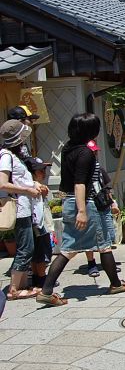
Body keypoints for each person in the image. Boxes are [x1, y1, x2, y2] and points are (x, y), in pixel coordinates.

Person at [36, 113, 125, 306]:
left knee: (70, 247)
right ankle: (115, 284)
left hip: (70, 201)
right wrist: (82, 211)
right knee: (102, 245)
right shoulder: (85, 153)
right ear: (92, 131)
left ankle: (47, 290)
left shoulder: (68, 148)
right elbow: (80, 183)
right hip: (84, 203)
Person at [0, 120, 47, 300]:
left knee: (29, 246)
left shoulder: (14, 155)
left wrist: (34, 184)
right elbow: (3, 183)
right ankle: (14, 289)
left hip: (26, 207)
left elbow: (20, 179)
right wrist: (27, 190)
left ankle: (19, 285)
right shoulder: (6, 156)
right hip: (19, 208)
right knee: (25, 247)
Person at [83, 140, 120, 277]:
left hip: (102, 203)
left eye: (95, 152)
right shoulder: (81, 169)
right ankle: (91, 264)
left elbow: (106, 187)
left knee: (108, 234)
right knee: (90, 235)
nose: (94, 154)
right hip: (89, 203)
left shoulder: (98, 167)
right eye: (92, 152)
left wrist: (113, 203)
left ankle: (109, 263)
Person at [28, 157, 53, 291]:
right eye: (41, 170)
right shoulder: (33, 185)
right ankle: (42, 279)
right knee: (41, 251)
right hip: (38, 222)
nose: (44, 173)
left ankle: (37, 278)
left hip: (38, 221)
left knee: (37, 251)